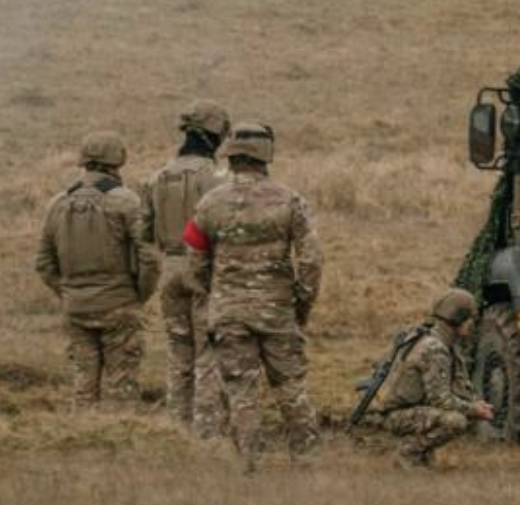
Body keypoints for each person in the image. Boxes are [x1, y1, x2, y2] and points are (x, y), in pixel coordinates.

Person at [179, 122, 322, 469]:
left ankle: (250, 465)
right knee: (291, 388)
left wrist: (216, 295)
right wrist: (301, 304)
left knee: (241, 392)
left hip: (228, 312)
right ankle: (306, 462)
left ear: (231, 155)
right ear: (266, 155)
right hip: (278, 311)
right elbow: (311, 260)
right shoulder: (290, 200)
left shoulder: (209, 203)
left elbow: (193, 262)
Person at [33, 131, 158, 407]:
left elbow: (43, 263)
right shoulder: (127, 201)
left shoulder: (58, 203)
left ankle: (85, 430)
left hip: (76, 308)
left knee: (83, 387)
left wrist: (69, 292)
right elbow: (149, 257)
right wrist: (138, 295)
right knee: (122, 387)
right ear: (117, 161)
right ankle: (120, 432)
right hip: (119, 304)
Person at [141, 100, 229, 431]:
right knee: (208, 353)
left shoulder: (157, 177)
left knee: (178, 353)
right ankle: (206, 432)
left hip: (170, 269)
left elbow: (144, 234)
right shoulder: (218, 178)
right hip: (205, 269)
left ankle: (176, 427)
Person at [372, 288, 493, 467]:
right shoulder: (435, 349)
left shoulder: (440, 341)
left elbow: (458, 385)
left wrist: (475, 403)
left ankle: (423, 455)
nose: (472, 324)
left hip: (406, 409)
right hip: (396, 415)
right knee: (456, 421)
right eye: (469, 319)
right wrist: (473, 409)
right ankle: (410, 451)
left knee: (459, 414)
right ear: (457, 319)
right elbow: (442, 400)